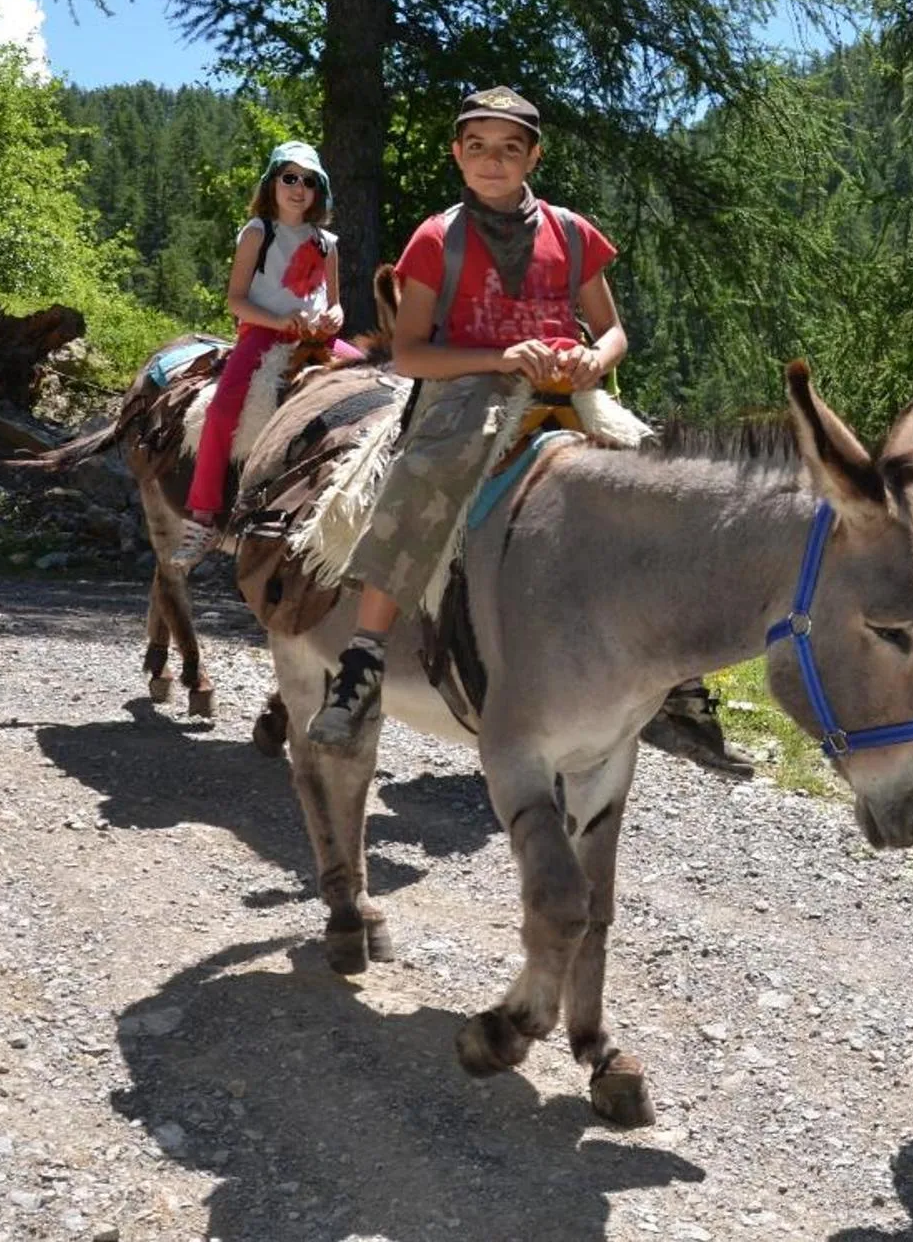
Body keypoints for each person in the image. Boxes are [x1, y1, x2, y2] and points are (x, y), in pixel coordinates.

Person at [305, 87, 743, 775]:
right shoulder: (435, 237)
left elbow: (612, 329)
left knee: (661, 482)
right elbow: (413, 353)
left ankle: (679, 681)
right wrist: (499, 358)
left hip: (567, 387)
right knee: (421, 477)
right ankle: (363, 658)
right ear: (457, 154)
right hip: (470, 389)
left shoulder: (570, 233)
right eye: (476, 147)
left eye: (510, 148)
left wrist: (594, 358)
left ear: (533, 155)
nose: (493, 161)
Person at [172, 138, 354, 567]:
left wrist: (333, 319)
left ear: (318, 191)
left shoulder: (327, 242)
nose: (298, 188)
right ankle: (202, 518)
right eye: (289, 177)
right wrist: (280, 323)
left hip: (315, 341)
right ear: (272, 184)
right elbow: (236, 300)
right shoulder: (259, 232)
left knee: (377, 382)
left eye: (309, 181)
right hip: (262, 335)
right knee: (221, 410)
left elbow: (336, 303)